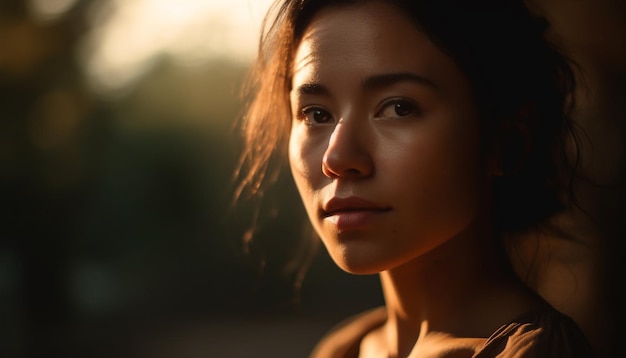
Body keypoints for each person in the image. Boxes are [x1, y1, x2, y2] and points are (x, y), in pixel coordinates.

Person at [236, 0, 597, 356]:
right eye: (316, 114)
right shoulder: (345, 348)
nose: (338, 158)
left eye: (398, 108)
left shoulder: (537, 352)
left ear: (506, 143)